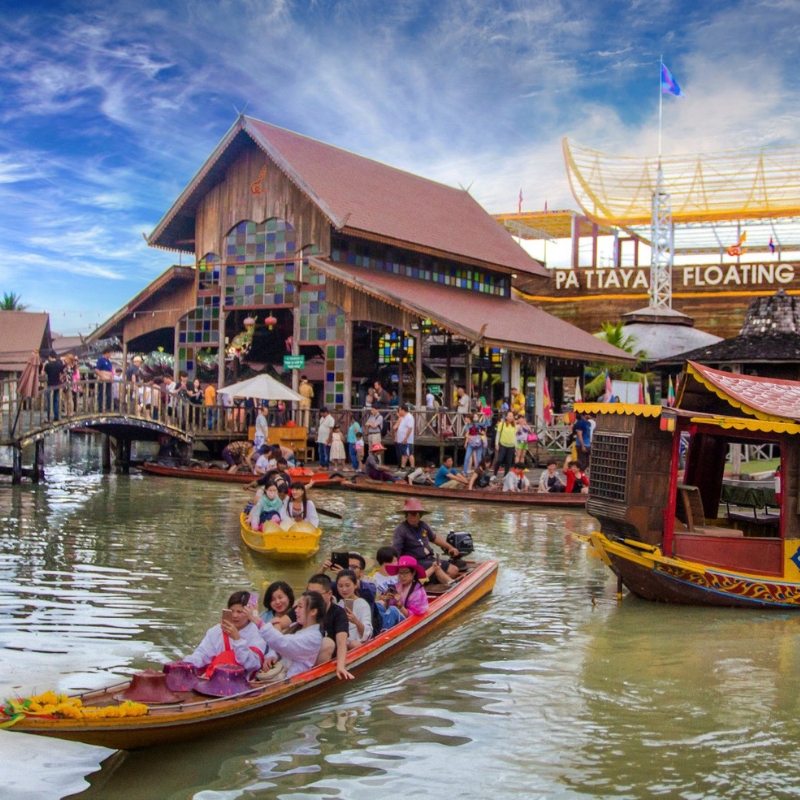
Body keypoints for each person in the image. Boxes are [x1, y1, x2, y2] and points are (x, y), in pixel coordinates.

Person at [183, 590, 265, 678]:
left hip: (244, 681)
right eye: (232, 611)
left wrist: (237, 639)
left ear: (249, 613)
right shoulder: (216, 631)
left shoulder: (258, 632)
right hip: (215, 678)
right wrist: (188, 664)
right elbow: (202, 654)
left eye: (239, 612)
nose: (234, 615)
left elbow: (252, 664)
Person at [248, 590, 325, 679]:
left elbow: (282, 643)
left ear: (313, 612)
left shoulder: (313, 637)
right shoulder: (295, 626)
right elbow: (281, 645)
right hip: (281, 674)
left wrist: (257, 620)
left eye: (300, 607)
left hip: (292, 678)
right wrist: (273, 655)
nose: (296, 610)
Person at [391, 498, 460, 582]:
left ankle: (432, 579)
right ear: (406, 515)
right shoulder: (400, 530)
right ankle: (435, 579)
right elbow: (396, 551)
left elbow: (434, 538)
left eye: (415, 514)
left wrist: (450, 547)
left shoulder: (423, 525)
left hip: (429, 559)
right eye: (410, 513)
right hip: (415, 562)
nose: (412, 516)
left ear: (420, 515)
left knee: (454, 570)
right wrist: (397, 569)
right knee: (449, 571)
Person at [307, 574, 355, 680]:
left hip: (325, 657)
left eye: (316, 594)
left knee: (327, 643)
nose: (312, 598)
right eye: (309, 593)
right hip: (304, 654)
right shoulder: (303, 608)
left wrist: (341, 666)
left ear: (329, 594)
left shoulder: (339, 613)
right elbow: (284, 624)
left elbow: (342, 642)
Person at [334, 569, 373, 649]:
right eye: (340, 586)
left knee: (355, 644)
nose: (344, 589)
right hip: (341, 642)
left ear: (355, 585)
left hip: (356, 642)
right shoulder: (338, 604)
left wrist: (356, 621)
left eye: (347, 585)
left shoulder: (363, 604)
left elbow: (368, 632)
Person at [42, 350, 65, 422]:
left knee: (49, 402)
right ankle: (56, 417)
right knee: (56, 401)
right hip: (57, 385)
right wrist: (61, 378)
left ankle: (49, 418)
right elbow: (64, 372)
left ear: (50, 357)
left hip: (50, 385)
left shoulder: (48, 365)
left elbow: (42, 374)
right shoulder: (59, 364)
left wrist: (43, 366)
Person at [493, 410, 517, 477]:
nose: (510, 417)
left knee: (509, 462)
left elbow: (515, 436)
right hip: (503, 444)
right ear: (506, 417)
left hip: (511, 445)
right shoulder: (502, 424)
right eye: (509, 416)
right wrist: (496, 444)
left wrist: (516, 446)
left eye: (512, 416)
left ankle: (505, 475)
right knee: (500, 459)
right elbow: (498, 434)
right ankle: (495, 474)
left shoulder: (514, 425)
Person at [395, 404, 415, 470]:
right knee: (404, 454)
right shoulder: (403, 417)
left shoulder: (409, 417)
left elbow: (410, 428)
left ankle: (412, 467)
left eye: (400, 410)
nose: (399, 411)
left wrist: (406, 437)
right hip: (401, 439)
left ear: (403, 410)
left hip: (407, 440)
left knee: (409, 454)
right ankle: (403, 467)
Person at [95, 346, 114, 411]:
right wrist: (102, 376)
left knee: (109, 393)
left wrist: (111, 377)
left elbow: (111, 370)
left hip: (108, 379)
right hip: (103, 379)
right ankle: (100, 407)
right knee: (101, 393)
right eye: (110, 353)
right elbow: (97, 369)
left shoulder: (109, 361)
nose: (111, 355)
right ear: (107, 353)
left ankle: (108, 407)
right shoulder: (101, 359)